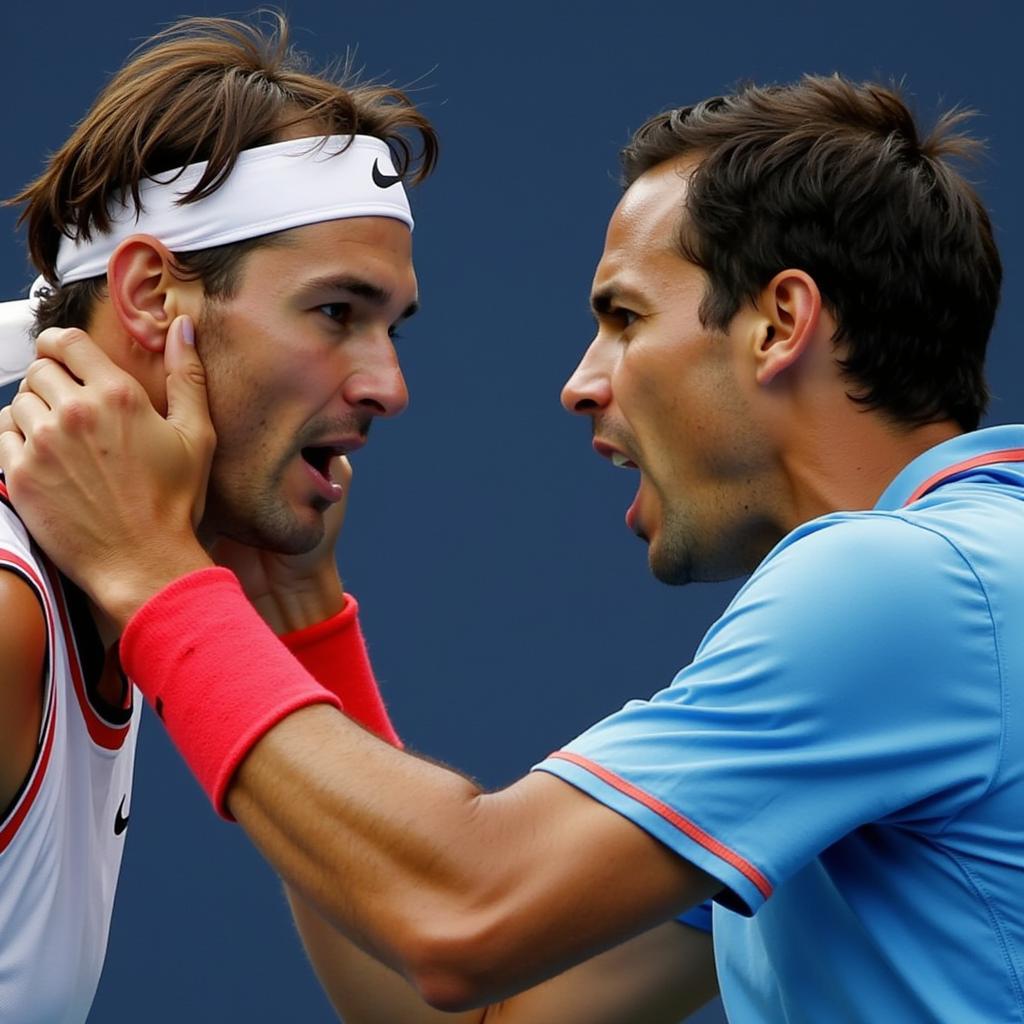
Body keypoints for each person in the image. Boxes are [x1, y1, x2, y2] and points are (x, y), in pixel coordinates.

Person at [3, 74, 1020, 1023]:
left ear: (778, 324)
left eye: (624, 317)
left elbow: (460, 918)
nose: (582, 382)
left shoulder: (907, 587)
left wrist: (154, 577)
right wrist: (291, 613)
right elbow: (482, 1010)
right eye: (335, 312)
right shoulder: (955, 596)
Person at [0, 13, 440, 1023]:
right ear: (154, 295)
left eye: (389, 325)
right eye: (336, 311)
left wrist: (294, 602)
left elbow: (433, 998)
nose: (388, 386)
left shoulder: (100, 590)